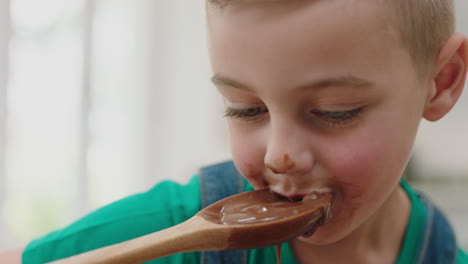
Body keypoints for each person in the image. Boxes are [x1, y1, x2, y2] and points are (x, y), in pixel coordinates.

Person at [2, 0, 468, 263]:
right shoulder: (170, 230)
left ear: (441, 83)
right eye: (245, 109)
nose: (278, 156)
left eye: (334, 112)